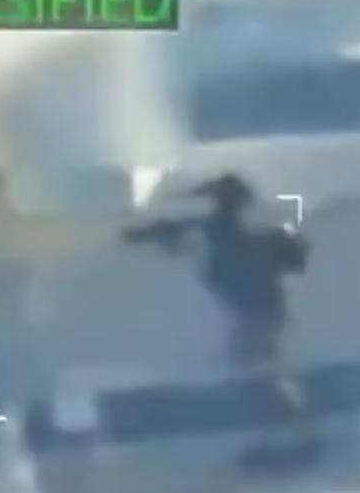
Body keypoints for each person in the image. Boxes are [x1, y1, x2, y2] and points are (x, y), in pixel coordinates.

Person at [124, 173, 318, 470]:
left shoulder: (228, 233)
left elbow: (291, 253)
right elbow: (293, 254)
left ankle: (293, 434)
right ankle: (292, 434)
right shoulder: (233, 232)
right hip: (260, 309)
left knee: (259, 373)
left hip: (258, 311)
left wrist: (152, 230)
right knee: (261, 371)